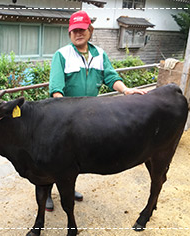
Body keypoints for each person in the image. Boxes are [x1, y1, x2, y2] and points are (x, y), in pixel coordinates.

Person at [48, 11, 147, 211]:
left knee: (77, 156)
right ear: (69, 33)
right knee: (56, 156)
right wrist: (63, 112)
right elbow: (56, 90)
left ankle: (68, 186)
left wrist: (126, 90)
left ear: (89, 31)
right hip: (64, 115)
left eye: (81, 30)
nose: (78, 34)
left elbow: (111, 78)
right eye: (74, 30)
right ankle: (48, 189)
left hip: (87, 115)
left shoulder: (99, 54)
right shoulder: (61, 55)